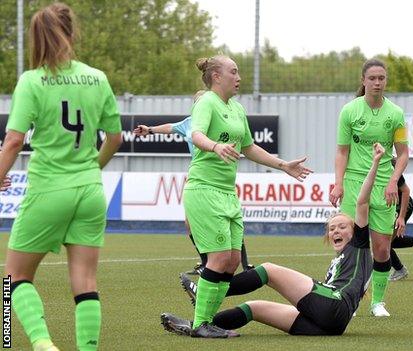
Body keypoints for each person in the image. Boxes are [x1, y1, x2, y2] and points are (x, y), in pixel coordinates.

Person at [161, 143, 384, 336]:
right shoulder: (342, 261)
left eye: (342, 227)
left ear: (355, 232)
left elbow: (362, 202)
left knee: (268, 270)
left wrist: (375, 162)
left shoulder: (360, 245)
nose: (336, 231)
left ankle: (205, 290)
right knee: (254, 308)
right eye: (332, 228)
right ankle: (198, 326)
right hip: (332, 324)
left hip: (334, 305)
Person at [0, 3, 122, 351]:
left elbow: (13, 140)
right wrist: (92, 169)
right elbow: (115, 138)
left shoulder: (33, 80)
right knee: (85, 281)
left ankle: (42, 344)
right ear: (71, 32)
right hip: (90, 192)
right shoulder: (97, 78)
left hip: (49, 189)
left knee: (14, 278)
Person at [179, 55, 312, 338]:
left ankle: (206, 320)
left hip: (227, 194)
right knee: (217, 258)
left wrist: (283, 165)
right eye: (234, 72)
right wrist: (215, 146)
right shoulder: (207, 102)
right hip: (204, 190)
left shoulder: (237, 108)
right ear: (216, 76)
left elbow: (249, 148)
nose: (239, 77)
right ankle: (201, 324)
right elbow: (196, 134)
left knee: (230, 261)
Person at [132, 99, 254, 275]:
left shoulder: (221, 119)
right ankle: (206, 263)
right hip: (199, 176)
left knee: (229, 222)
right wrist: (150, 130)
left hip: (218, 177)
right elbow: (170, 127)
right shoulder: (189, 123)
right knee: (189, 224)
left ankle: (244, 263)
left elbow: (247, 146)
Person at [329, 59, 409, 317]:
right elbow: (342, 151)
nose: (377, 82)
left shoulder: (395, 114)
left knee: (382, 248)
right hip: (354, 184)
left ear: (386, 81)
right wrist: (338, 183)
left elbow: (404, 153)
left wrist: (392, 181)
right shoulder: (349, 111)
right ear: (363, 80)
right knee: (351, 245)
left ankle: (378, 302)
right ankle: (348, 298)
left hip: (383, 185)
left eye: (381, 78)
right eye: (372, 78)